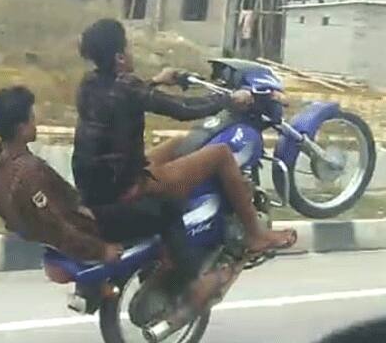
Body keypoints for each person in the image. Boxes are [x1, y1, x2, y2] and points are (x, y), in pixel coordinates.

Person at [0, 85, 228, 308]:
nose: (36, 122)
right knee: (168, 207)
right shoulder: (29, 172)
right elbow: (57, 226)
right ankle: (189, 283)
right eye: (32, 118)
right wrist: (100, 250)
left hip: (71, 220)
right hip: (89, 226)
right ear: (21, 128)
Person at [72, 18, 296, 257]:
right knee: (220, 153)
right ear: (119, 58)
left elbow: (123, 97)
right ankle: (256, 235)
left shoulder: (90, 83)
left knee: (179, 143)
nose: (130, 51)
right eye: (128, 46)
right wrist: (229, 99)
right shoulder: (128, 88)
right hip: (126, 187)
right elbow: (183, 109)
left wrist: (157, 81)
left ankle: (200, 202)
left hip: (95, 185)